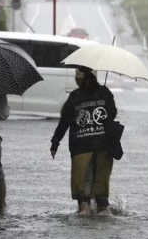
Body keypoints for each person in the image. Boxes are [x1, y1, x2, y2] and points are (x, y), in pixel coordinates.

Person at [50, 67, 117, 215]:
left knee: (83, 189)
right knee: (101, 190)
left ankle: (84, 209)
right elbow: (113, 114)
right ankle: (102, 209)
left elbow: (64, 122)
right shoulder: (105, 93)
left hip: (81, 148)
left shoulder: (75, 96)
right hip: (104, 146)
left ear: (78, 79)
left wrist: (55, 143)